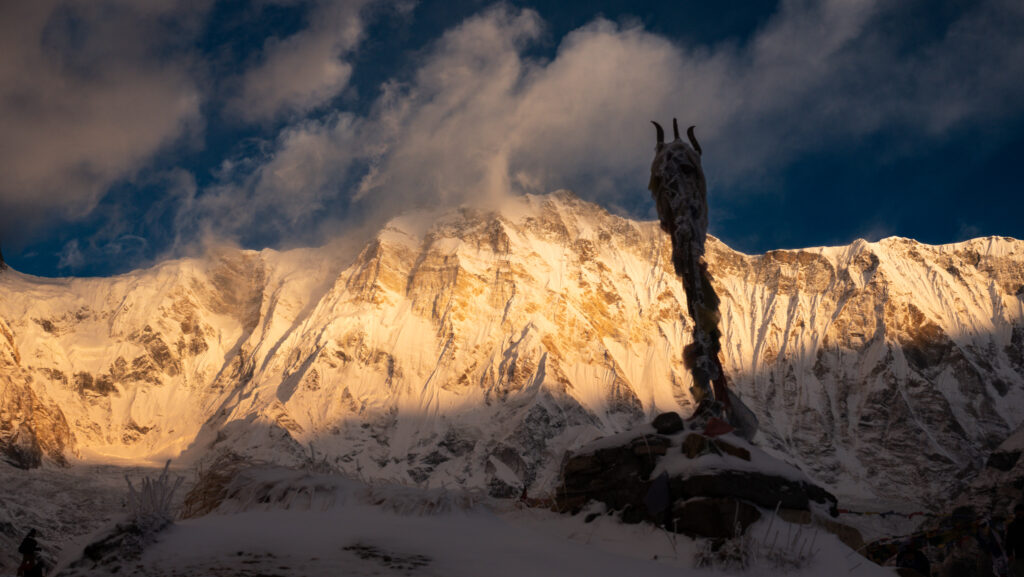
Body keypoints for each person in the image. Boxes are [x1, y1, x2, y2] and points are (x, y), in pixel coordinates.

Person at [1007, 504, 1024, 576]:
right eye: (1018, 511)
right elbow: (1009, 540)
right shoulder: (1012, 525)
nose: (1019, 513)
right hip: (1018, 554)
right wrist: (1009, 553)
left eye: (1021, 511)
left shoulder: (1012, 525)